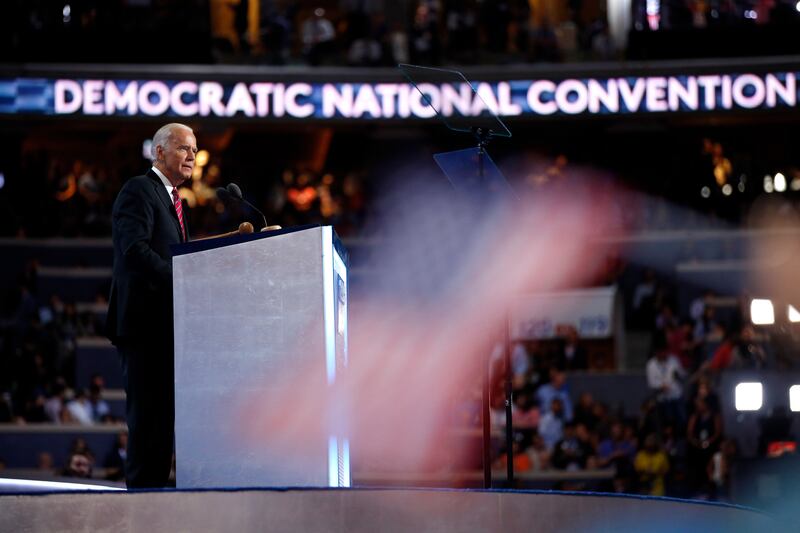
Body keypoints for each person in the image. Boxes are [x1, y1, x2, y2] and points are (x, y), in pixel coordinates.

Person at [106, 123, 195, 488]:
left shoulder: (175, 200)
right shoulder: (140, 189)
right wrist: (183, 277)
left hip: (165, 328)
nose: (192, 156)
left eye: (194, 150)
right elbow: (135, 250)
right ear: (159, 152)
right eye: (183, 148)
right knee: (147, 423)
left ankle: (154, 501)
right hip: (144, 327)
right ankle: (142, 507)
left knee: (160, 424)